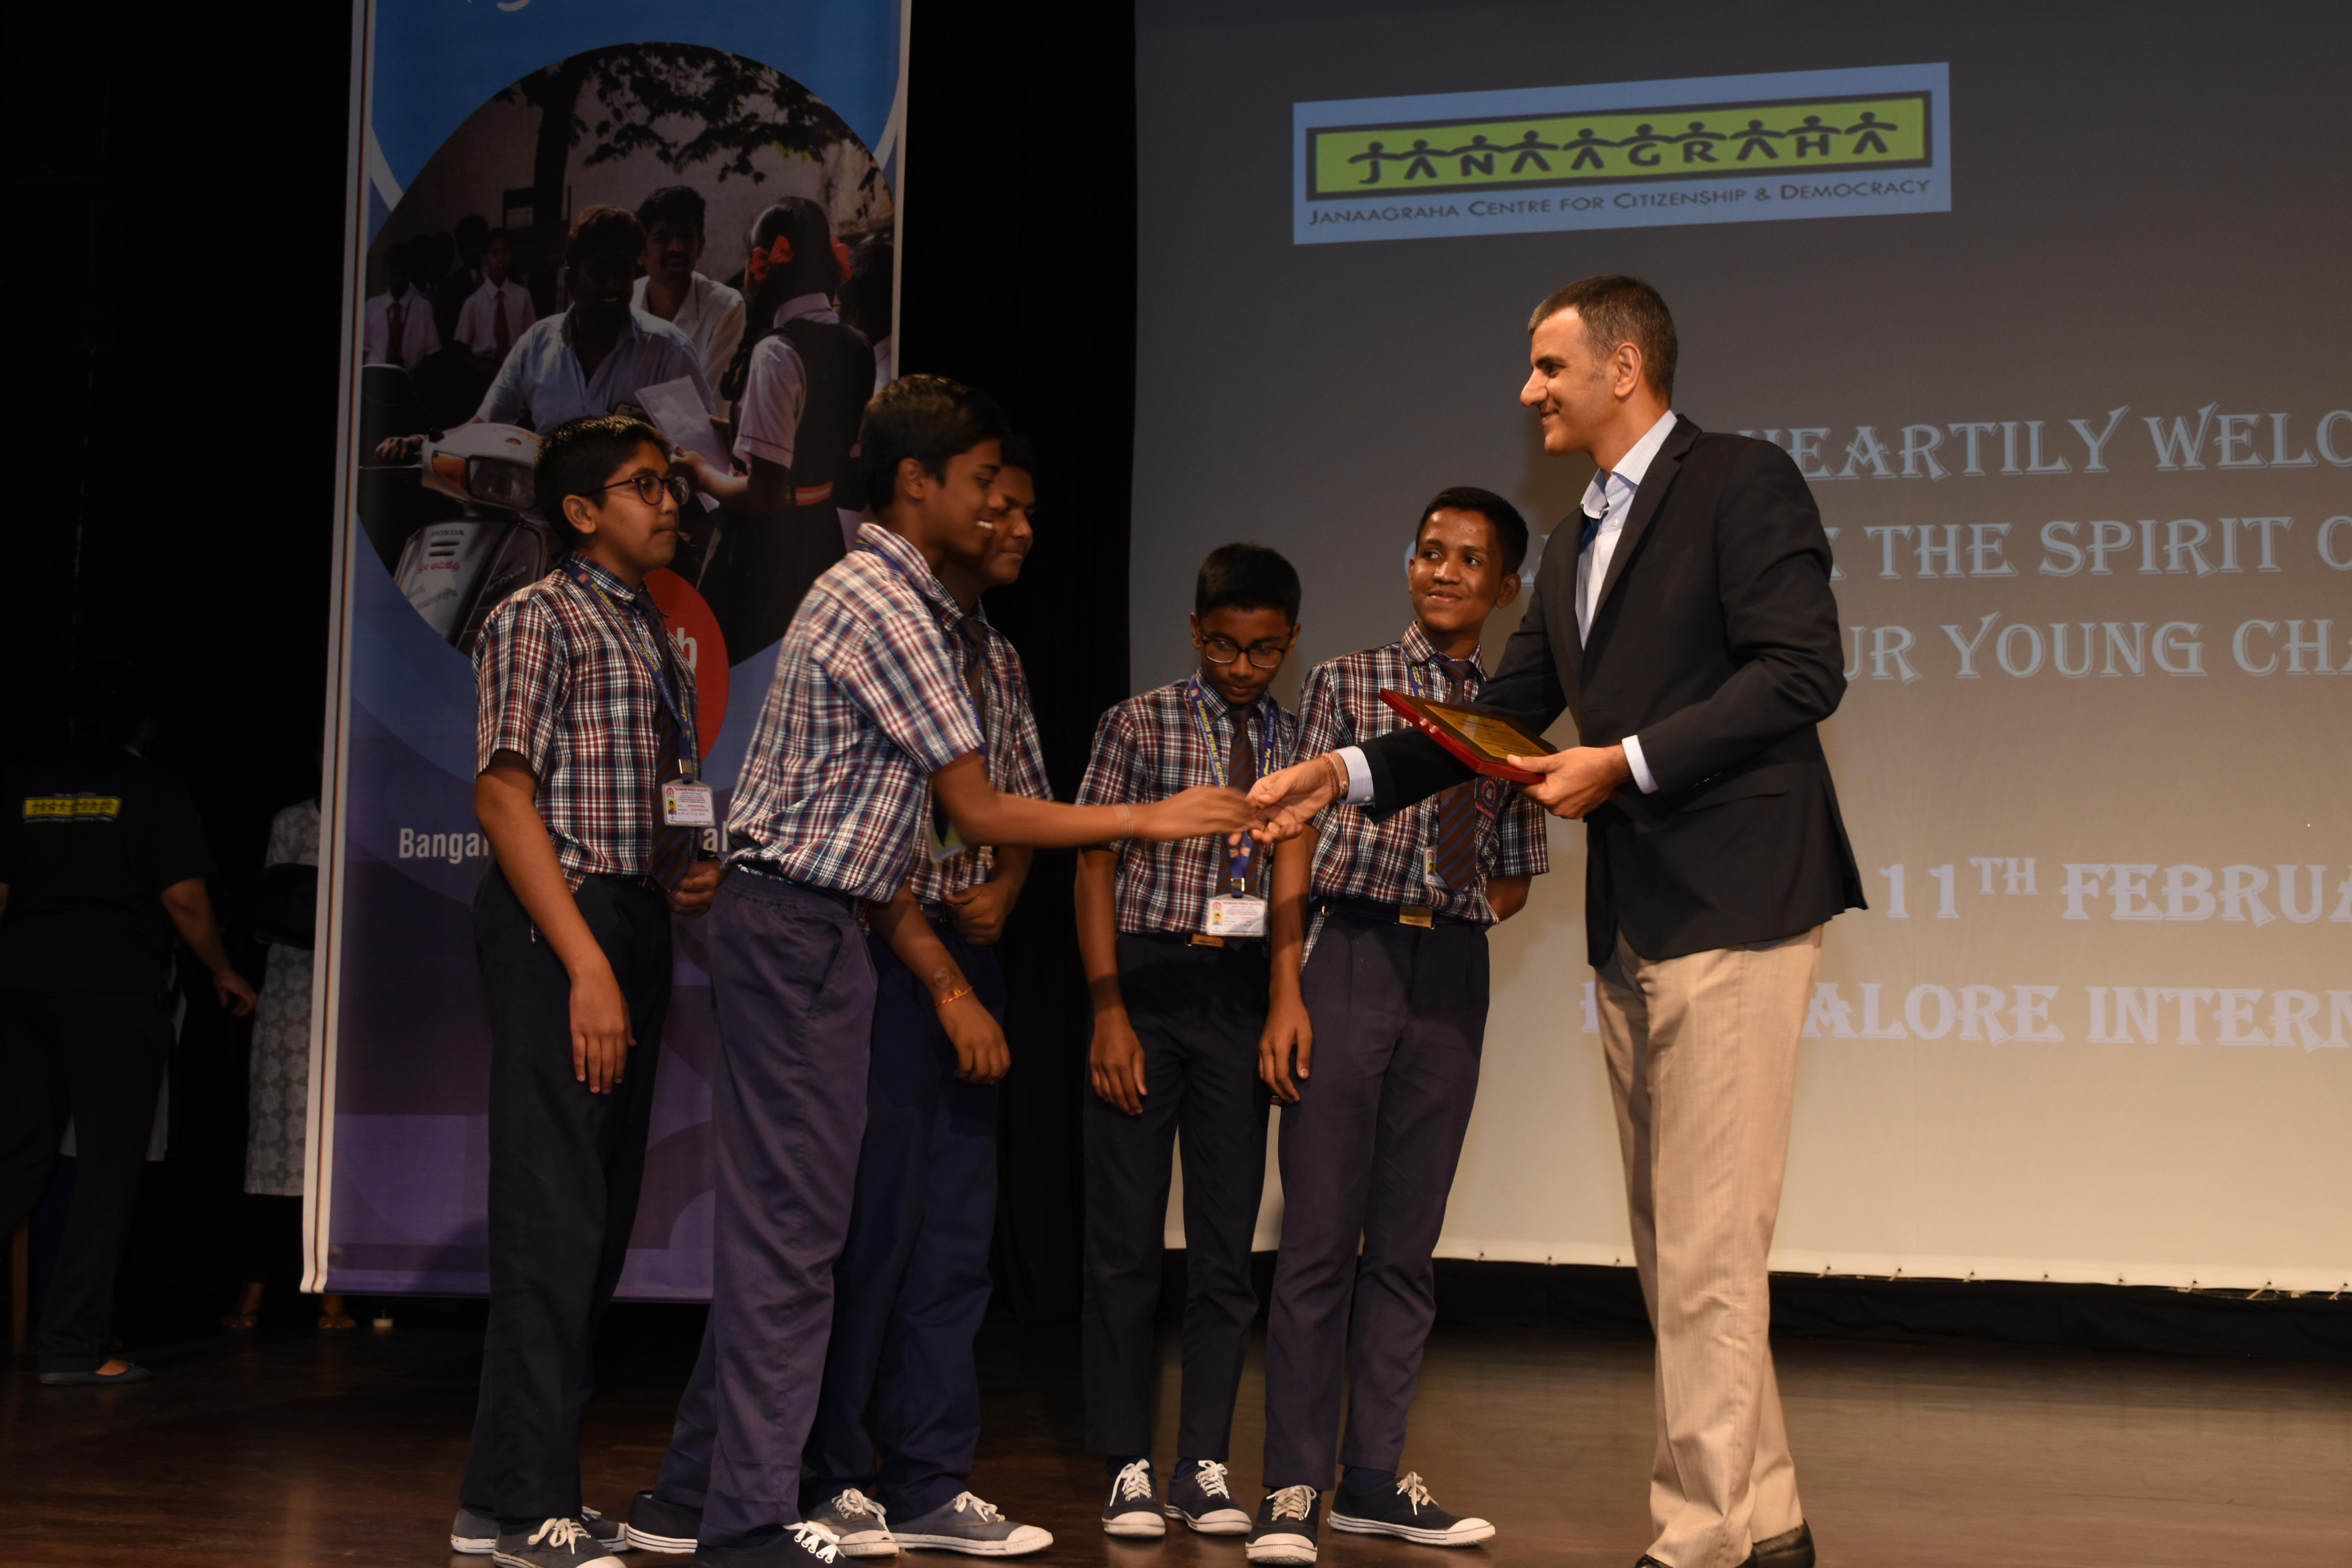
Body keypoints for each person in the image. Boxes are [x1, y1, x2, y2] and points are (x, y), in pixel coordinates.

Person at [1249, 275, 1861, 1568]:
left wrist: (1624, 763)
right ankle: (1767, 1525)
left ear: (1623, 368)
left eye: (1548, 366)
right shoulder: (1583, 533)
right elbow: (1500, 719)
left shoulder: (1739, 481)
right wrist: (1342, 776)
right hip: (1643, 921)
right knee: (1680, 1250)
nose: (1528, 390)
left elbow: (1804, 669)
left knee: (1706, 1249)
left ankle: (1698, 1543)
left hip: (1737, 901)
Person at [626, 375, 1252, 1568]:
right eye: (980, 485)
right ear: (916, 483)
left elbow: (974, 818)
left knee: (807, 1233)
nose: (998, 509)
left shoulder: (921, 609)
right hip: (799, 922)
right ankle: (746, 1517)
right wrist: (1150, 817)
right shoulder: (883, 598)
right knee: (794, 1236)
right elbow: (977, 804)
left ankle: (741, 1501)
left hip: (827, 925)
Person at [1245, 489, 1548, 1565]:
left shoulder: (1512, 707)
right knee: (1319, 1235)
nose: (1444, 571)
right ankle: (1292, 1485)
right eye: (1429, 551)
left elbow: (1516, 871)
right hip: (1350, 954)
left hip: (1450, 969)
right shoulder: (1348, 680)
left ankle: (1372, 1479)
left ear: (1506, 588)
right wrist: (1288, 988)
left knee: (1407, 1244)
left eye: (1469, 559)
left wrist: (1452, 912)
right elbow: (1294, 831)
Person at [445, 414, 727, 1568]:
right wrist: (587, 962)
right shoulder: (538, 615)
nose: (669, 503)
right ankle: (527, 1508)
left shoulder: (651, 625)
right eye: (644, 485)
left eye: (669, 485)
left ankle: (500, 1494)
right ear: (579, 511)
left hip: (629, 912)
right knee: (553, 1214)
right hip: (558, 924)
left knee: (596, 1219)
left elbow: (654, 790)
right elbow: (504, 795)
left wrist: (686, 862)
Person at [793, 437, 1051, 1557]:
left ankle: (931, 1480)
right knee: (872, 1227)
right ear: (928, 494)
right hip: (886, 956)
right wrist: (942, 982)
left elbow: (1019, 801)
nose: (1017, 526)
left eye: (1026, 509)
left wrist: (1008, 885)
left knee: (953, 1238)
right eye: (997, 503)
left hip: (967, 952)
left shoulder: (997, 655)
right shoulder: (888, 626)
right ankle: (832, 1474)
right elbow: (865, 837)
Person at [1076, 543, 1303, 1544]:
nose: (1242, 667)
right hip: (1147, 981)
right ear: (1196, 632)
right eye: (1223, 646)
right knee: (1125, 1240)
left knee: (1224, 1245)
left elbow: (1294, 881)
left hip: (1238, 993)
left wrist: (1281, 998)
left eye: (1263, 650)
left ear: (1291, 640)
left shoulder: (1300, 741)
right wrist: (1107, 1009)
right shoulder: (1139, 721)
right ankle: (1126, 1459)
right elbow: (1092, 864)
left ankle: (1202, 1461)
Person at [0, 662, 257, 1386]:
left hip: (20, 986)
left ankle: (68, 1345)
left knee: (13, 1157)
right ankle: (72, 1350)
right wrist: (223, 970)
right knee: (106, 1170)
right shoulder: (153, 788)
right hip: (112, 993)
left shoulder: (23, 786)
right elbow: (184, 899)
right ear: (144, 727)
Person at [679, 198, 875, 661]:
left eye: (754, 257)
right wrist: (739, 432)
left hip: (767, 554)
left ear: (768, 263)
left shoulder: (777, 352)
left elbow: (765, 494)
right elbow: (832, 450)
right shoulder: (857, 345)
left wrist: (701, 473)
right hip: (822, 543)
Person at [375, 207, 711, 473]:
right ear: (571, 280)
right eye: (600, 273)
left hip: (634, 525)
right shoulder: (537, 345)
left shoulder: (668, 351)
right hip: (545, 523)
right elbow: (484, 426)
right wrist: (423, 443)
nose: (613, 285)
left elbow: (703, 461)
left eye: (623, 273)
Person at [221, 790, 353, 1334]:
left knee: (340, 1148)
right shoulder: (293, 821)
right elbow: (267, 907)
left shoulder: (370, 817)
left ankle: (335, 1286)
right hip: (291, 992)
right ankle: (253, 1286)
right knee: (277, 1145)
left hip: (351, 988)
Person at [632, 186, 748, 415]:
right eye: (663, 239)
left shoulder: (725, 307)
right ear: (641, 252)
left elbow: (711, 411)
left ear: (701, 245)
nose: (677, 247)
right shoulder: (626, 305)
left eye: (687, 237)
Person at [454, 229, 537, 368]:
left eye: (505, 252)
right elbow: (461, 349)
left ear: (512, 255)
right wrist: (479, 367)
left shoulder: (523, 296)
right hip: (484, 369)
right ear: (485, 258)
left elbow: (533, 337)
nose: (501, 258)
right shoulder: (473, 303)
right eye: (494, 253)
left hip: (516, 366)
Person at [363, 240, 443, 371]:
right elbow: (365, 349)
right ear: (386, 273)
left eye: (404, 272)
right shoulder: (372, 306)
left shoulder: (423, 308)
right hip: (378, 375)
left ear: (410, 274)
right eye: (394, 272)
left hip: (409, 376)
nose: (399, 277)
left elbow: (432, 353)